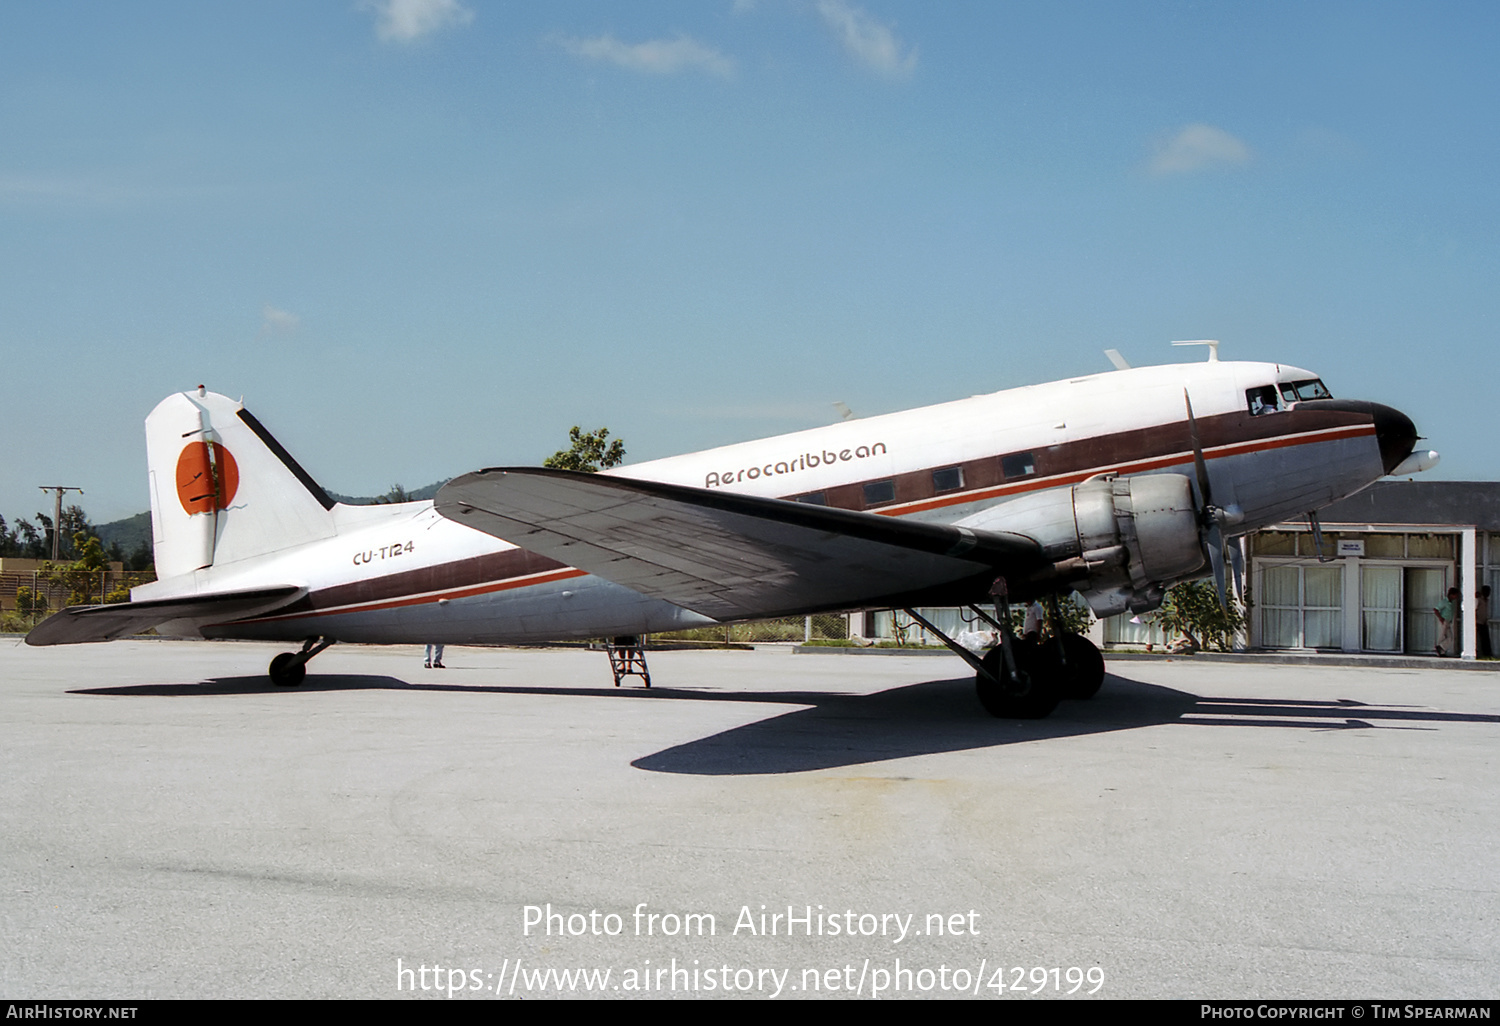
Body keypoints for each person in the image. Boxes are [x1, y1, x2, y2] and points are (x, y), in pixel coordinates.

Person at [1434, 588, 1460, 656]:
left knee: (1450, 637)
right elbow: (1436, 609)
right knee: (1442, 636)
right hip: (1443, 621)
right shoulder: (1444, 602)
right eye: (1456, 595)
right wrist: (1440, 618)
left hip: (1448, 621)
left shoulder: (1452, 603)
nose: (1456, 597)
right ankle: (1441, 652)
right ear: (1452, 595)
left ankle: (1441, 647)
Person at [1478, 585, 1493, 659]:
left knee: (1486, 639)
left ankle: (1487, 653)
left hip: (1484, 622)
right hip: (1478, 622)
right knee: (1481, 638)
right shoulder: (1479, 600)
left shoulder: (1487, 600)